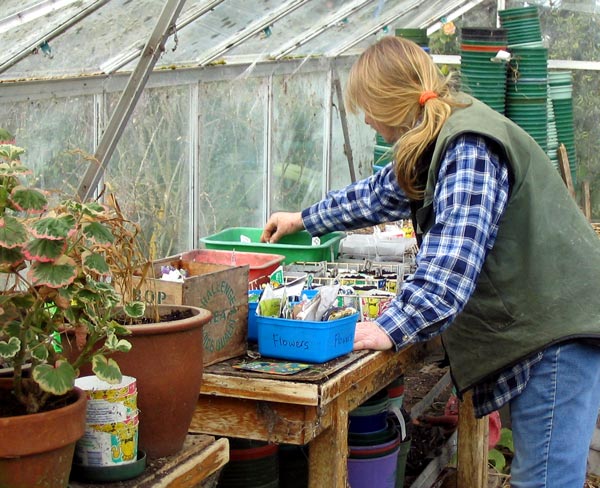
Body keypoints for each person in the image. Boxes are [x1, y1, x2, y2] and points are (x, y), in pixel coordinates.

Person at [260, 36, 600, 488]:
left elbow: (451, 267)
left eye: (367, 107)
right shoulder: (441, 132)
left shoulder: (468, 148)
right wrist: (305, 219)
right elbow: (383, 193)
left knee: (545, 482)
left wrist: (387, 326)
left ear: (389, 104)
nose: (365, 118)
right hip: (546, 323)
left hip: (556, 333)